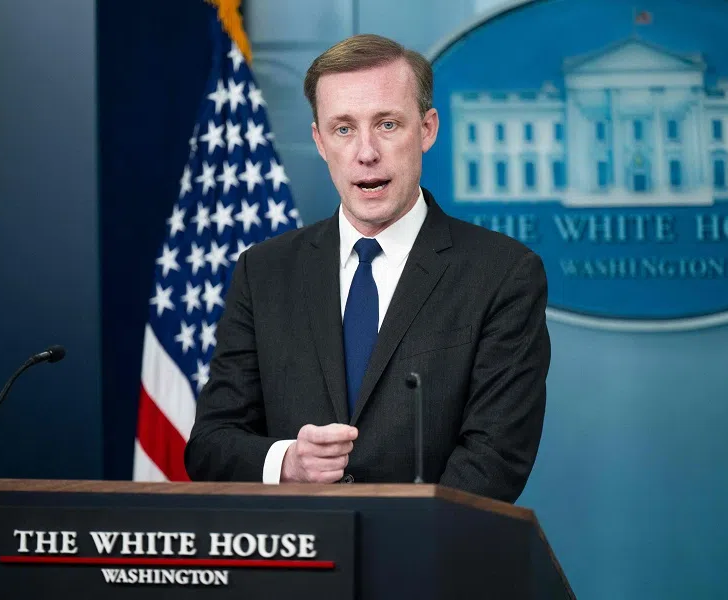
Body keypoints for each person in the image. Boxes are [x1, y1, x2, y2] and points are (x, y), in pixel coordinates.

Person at [184, 33, 551, 504]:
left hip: (429, 564)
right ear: (319, 140)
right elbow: (211, 445)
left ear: (427, 128)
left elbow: (494, 458)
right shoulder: (265, 271)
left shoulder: (503, 274)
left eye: (387, 124)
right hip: (299, 564)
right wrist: (287, 462)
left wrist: (400, 545)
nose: (366, 152)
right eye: (343, 128)